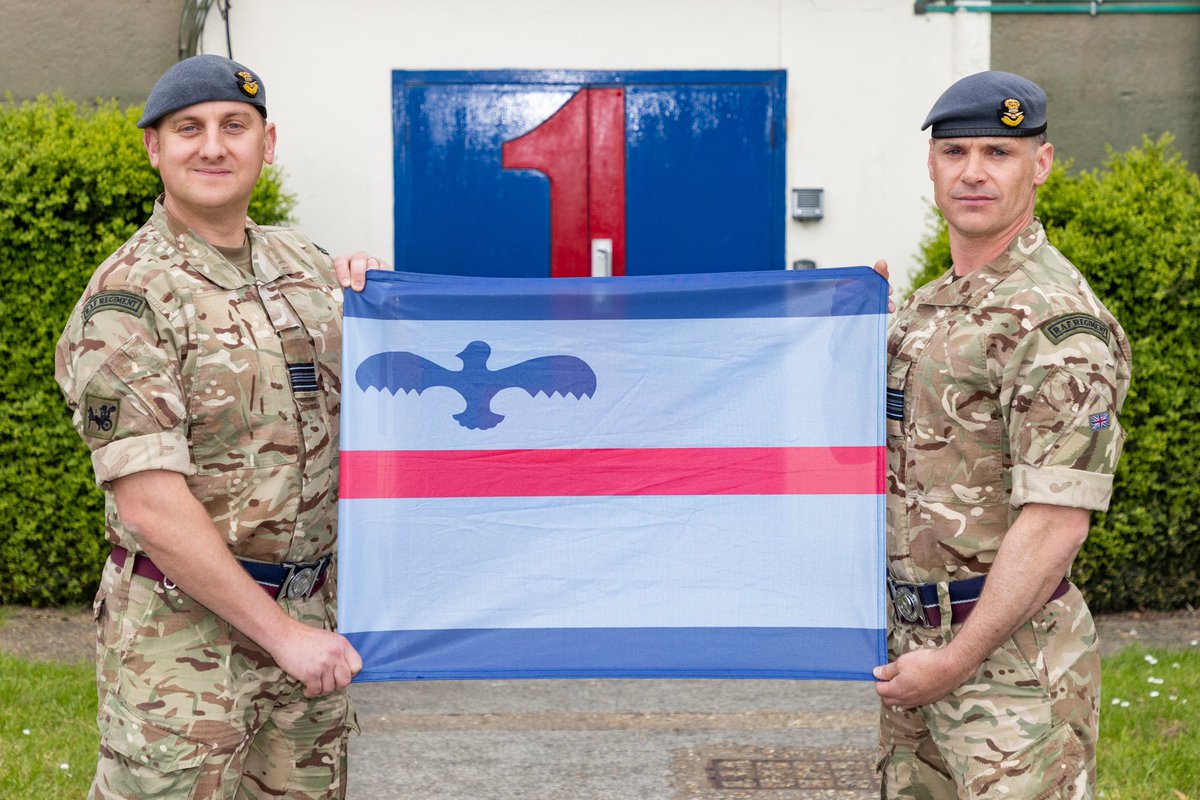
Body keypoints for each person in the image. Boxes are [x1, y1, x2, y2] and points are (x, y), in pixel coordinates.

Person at [55, 54, 385, 798]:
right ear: (154, 148)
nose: (213, 146)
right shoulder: (128, 300)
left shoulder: (304, 265)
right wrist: (284, 638)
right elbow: (148, 502)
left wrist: (379, 300)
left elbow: (378, 414)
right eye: (188, 129)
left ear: (267, 145)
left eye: (235, 126)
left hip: (312, 624)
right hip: (183, 645)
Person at [871, 71, 1132, 798]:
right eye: (955, 153)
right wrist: (842, 326)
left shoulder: (1053, 324)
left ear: (1040, 165)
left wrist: (953, 663)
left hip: (1011, 669)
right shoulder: (930, 310)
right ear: (932, 166)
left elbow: (1055, 523)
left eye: (999, 152)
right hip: (914, 653)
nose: (974, 172)